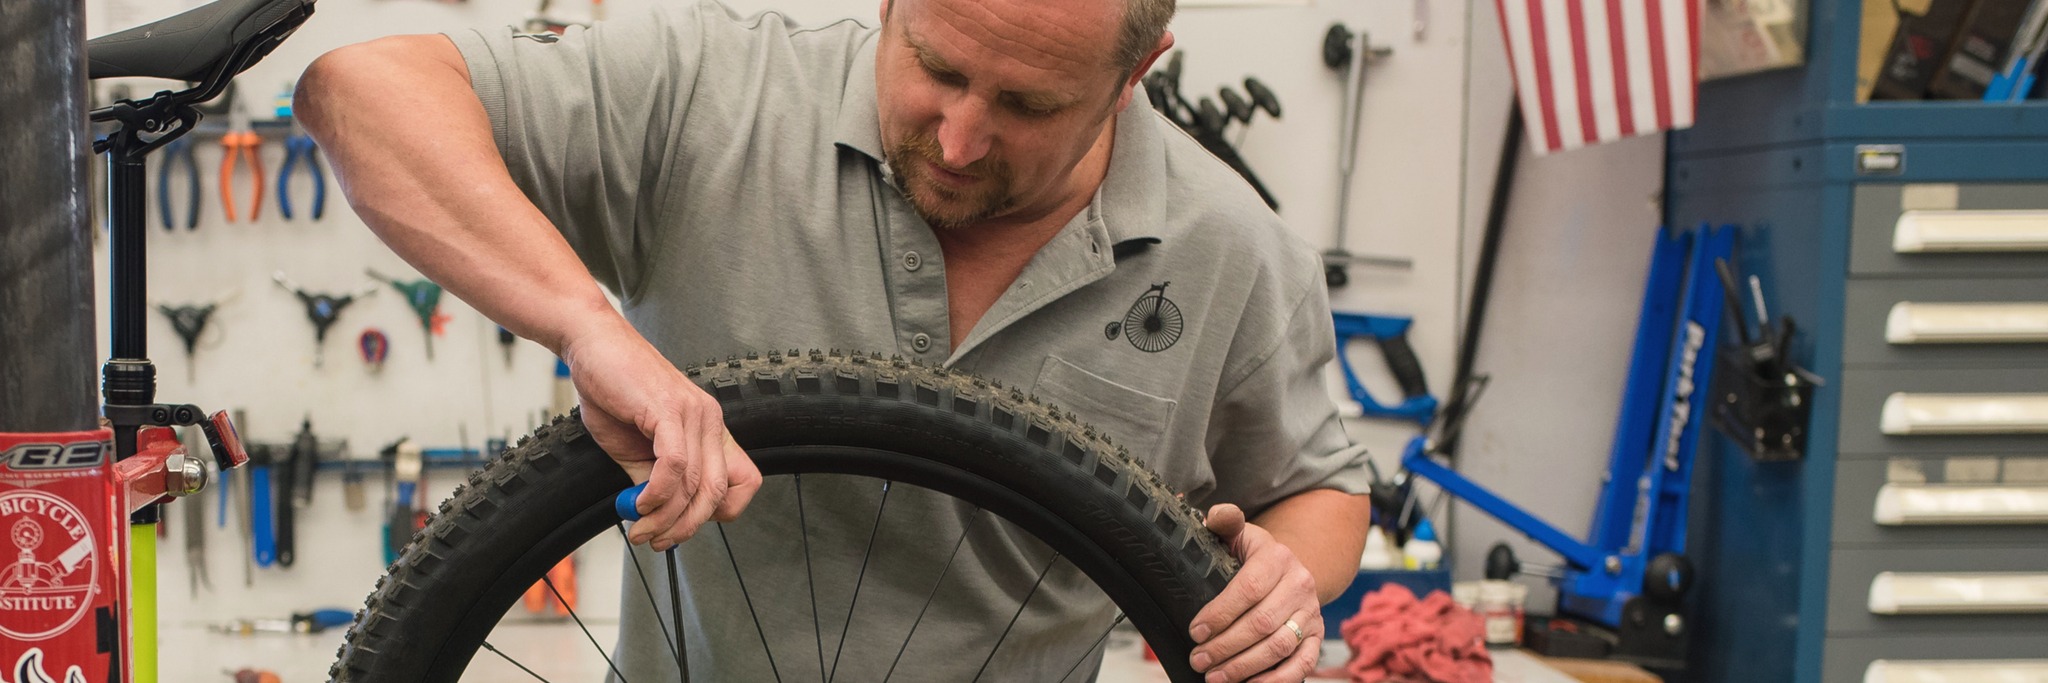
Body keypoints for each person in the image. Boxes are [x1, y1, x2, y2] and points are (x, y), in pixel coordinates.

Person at [297, 0, 1372, 679]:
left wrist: (1285, 574)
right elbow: (359, 91)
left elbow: (1320, 485)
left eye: (1026, 103)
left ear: (1135, 73)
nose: (956, 138)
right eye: (937, 67)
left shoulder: (1232, 248)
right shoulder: (706, 94)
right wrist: (583, 324)